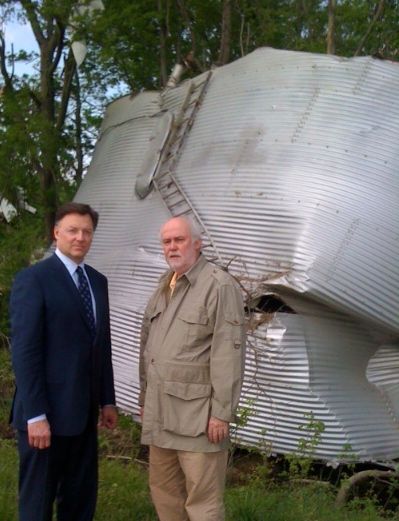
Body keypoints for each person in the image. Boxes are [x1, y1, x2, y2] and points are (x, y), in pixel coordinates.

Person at [9, 202, 117, 521]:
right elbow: (25, 352)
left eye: (87, 231)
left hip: (83, 414)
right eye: (72, 230)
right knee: (38, 502)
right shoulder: (34, 279)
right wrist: (36, 415)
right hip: (46, 417)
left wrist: (107, 400)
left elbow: (101, 345)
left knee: (80, 498)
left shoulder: (97, 281)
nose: (80, 237)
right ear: (57, 233)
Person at [139, 216, 246, 521]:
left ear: (197, 244)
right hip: (161, 413)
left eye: (179, 240)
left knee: (203, 504)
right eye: (167, 242)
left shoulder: (218, 285)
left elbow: (229, 352)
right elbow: (148, 347)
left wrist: (222, 412)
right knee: (166, 496)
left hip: (199, 419)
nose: (172, 247)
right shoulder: (164, 286)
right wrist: (145, 400)